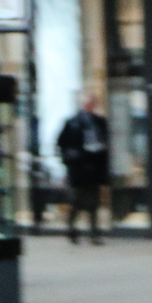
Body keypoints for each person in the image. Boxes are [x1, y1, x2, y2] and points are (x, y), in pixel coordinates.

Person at [55, 94, 110, 244]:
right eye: (89, 103)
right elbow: (62, 143)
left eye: (93, 103)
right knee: (76, 201)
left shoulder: (99, 122)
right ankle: (72, 230)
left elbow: (106, 143)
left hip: (94, 168)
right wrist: (71, 159)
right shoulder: (73, 123)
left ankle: (94, 233)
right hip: (78, 168)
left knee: (93, 202)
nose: (91, 106)